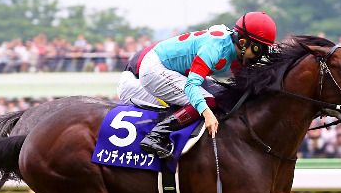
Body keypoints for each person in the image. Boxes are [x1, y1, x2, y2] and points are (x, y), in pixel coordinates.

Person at [116, 12, 277, 159]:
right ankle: (155, 136)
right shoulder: (215, 49)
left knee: (221, 94)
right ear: (242, 42)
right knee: (207, 102)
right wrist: (207, 114)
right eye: (258, 50)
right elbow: (192, 85)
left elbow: (243, 84)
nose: (259, 56)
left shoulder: (235, 48)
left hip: (171, 70)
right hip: (153, 68)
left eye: (264, 51)